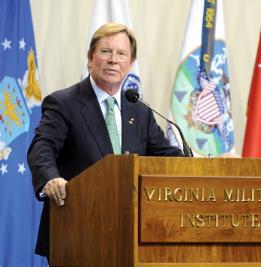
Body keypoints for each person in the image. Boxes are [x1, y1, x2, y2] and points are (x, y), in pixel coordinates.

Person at [27, 22, 183, 261]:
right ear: (90, 58)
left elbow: (168, 158)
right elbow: (42, 146)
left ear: (130, 64)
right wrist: (51, 178)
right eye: (105, 51)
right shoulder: (64, 103)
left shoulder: (139, 110)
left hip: (132, 235)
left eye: (121, 54)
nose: (113, 60)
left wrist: (212, 163)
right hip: (76, 232)